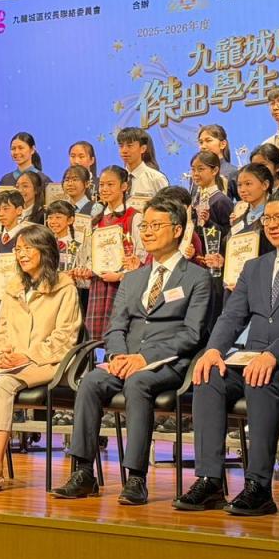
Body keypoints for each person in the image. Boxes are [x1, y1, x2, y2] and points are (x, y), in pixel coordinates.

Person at [175, 190, 279, 516]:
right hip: (253, 360)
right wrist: (213, 350)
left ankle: (259, 487)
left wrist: (273, 355)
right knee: (208, 376)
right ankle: (210, 480)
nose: (272, 225)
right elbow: (232, 316)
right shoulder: (254, 267)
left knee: (261, 380)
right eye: (268, 219)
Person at [53, 198, 212, 503]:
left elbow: (193, 334)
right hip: (126, 359)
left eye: (156, 225)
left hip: (168, 363)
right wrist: (116, 357)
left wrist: (144, 359)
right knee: (90, 381)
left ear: (177, 230)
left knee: (138, 383)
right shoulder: (134, 277)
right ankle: (83, 472)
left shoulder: (197, 278)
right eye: (144, 226)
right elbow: (115, 327)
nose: (147, 232)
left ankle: (136, 477)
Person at [0, 225, 81, 492]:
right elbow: (1, 330)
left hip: (45, 361)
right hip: (11, 359)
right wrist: (1, 352)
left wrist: (25, 356)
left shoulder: (65, 287)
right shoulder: (13, 286)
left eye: (27, 248)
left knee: (3, 384)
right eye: (18, 249)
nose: (21, 254)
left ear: (45, 250)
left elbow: (65, 337)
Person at [83, 166, 144, 342]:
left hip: (123, 286)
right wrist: (87, 270)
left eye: (110, 184)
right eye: (102, 185)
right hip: (99, 284)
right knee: (94, 340)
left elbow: (141, 255)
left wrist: (121, 275)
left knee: (118, 335)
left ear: (124, 186)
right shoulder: (96, 221)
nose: (104, 189)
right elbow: (90, 255)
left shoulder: (134, 217)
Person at [0, 188, 33, 339]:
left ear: (19, 210)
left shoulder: (26, 238)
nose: (1, 214)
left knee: (14, 340)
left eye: (6, 209)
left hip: (16, 297)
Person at [116, 127, 167, 204]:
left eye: (130, 146)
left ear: (143, 148)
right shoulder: (116, 179)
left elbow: (167, 207)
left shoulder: (156, 178)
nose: (124, 150)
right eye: (121, 146)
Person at [197, 124, 239, 199]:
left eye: (208, 141)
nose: (203, 146)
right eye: (201, 142)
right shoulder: (197, 174)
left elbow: (244, 202)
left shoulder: (233, 172)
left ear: (223, 144)